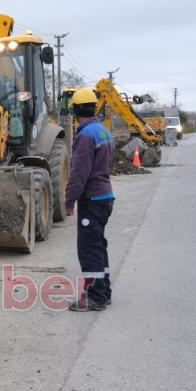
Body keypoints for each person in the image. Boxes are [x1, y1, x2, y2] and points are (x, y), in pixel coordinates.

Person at [65, 88, 115, 312]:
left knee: (89, 248)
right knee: (98, 244)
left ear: (75, 110)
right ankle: (104, 292)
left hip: (92, 199)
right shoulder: (102, 131)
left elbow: (78, 174)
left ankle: (96, 297)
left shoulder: (85, 135)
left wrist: (69, 201)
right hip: (105, 196)